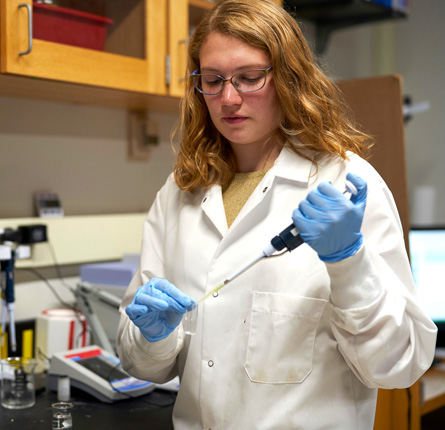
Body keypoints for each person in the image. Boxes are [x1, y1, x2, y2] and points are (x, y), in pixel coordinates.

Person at [115, 1, 437, 429]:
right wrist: (153, 337)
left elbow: (401, 363)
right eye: (212, 81)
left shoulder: (345, 183)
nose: (229, 99)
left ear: (288, 77)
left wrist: (349, 261)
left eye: (249, 78)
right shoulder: (180, 192)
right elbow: (142, 364)